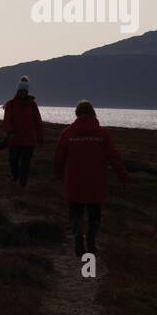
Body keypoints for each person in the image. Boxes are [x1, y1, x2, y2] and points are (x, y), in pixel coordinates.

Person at [54, 100, 128, 256]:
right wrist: (123, 176)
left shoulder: (67, 133)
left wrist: (59, 174)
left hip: (74, 182)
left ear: (77, 113)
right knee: (94, 214)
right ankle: (92, 242)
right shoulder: (103, 134)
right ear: (93, 113)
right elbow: (114, 157)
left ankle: (78, 241)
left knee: (76, 213)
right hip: (96, 183)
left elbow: (59, 157)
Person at [2, 77, 44, 187]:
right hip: (14, 139)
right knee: (13, 161)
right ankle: (15, 177)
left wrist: (40, 136)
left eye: (24, 91)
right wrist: (10, 131)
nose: (23, 93)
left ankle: (22, 184)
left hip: (29, 140)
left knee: (25, 164)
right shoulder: (10, 104)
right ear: (17, 91)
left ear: (27, 92)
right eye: (21, 91)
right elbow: (7, 120)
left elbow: (38, 121)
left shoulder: (32, 105)